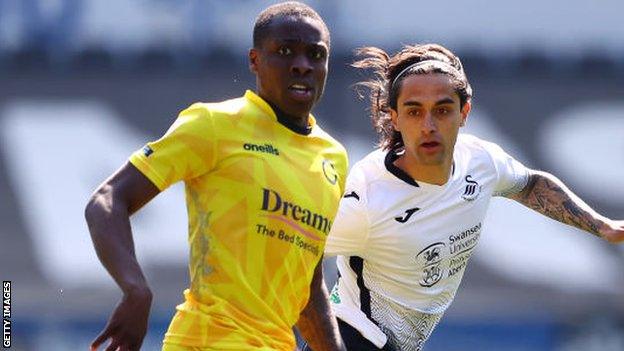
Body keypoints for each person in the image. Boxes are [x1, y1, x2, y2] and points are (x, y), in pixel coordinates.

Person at [323, 43, 624, 351]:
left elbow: (531, 184)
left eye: (442, 110)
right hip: (353, 338)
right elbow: (295, 250)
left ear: (464, 112)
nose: (428, 126)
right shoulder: (368, 197)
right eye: (414, 112)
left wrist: (602, 226)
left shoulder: (481, 161)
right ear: (395, 117)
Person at [84, 2, 348, 350]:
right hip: (206, 340)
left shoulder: (333, 158)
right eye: (285, 52)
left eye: (316, 54)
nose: (302, 65)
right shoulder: (213, 125)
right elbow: (107, 200)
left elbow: (308, 285)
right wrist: (136, 289)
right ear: (254, 60)